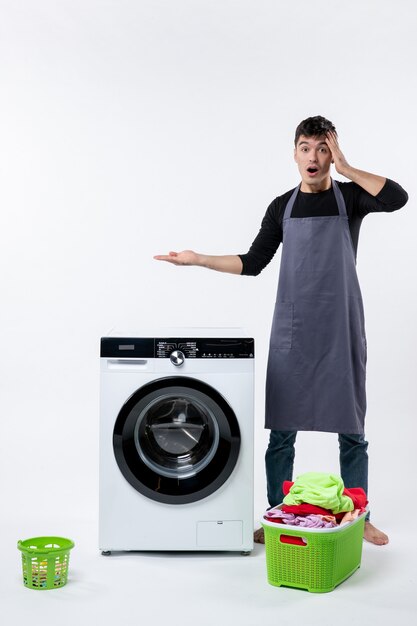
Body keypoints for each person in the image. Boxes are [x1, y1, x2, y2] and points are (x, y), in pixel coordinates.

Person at [154, 115, 408, 546]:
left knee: (352, 430)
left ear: (333, 153)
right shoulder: (281, 207)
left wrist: (348, 169)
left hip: (340, 326)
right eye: (306, 148)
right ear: (294, 153)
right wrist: (197, 259)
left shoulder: (351, 199)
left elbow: (398, 198)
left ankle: (360, 516)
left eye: (323, 149)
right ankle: (276, 515)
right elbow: (252, 263)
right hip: (293, 331)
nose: (314, 157)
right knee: (281, 434)